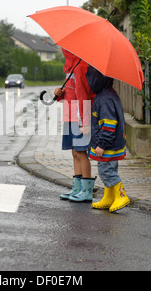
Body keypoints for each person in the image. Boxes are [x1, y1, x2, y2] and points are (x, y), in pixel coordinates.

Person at [86, 67, 130, 212]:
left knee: (106, 171)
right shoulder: (107, 94)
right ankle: (109, 197)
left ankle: (121, 195)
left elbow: (109, 124)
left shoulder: (104, 98)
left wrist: (102, 144)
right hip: (112, 143)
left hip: (108, 145)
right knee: (108, 168)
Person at [55, 50, 96, 202]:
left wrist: (85, 122)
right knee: (74, 152)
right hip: (70, 115)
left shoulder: (80, 66)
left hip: (78, 117)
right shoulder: (70, 66)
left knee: (80, 152)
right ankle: (77, 188)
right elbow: (71, 92)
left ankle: (86, 191)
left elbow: (83, 95)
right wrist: (60, 94)